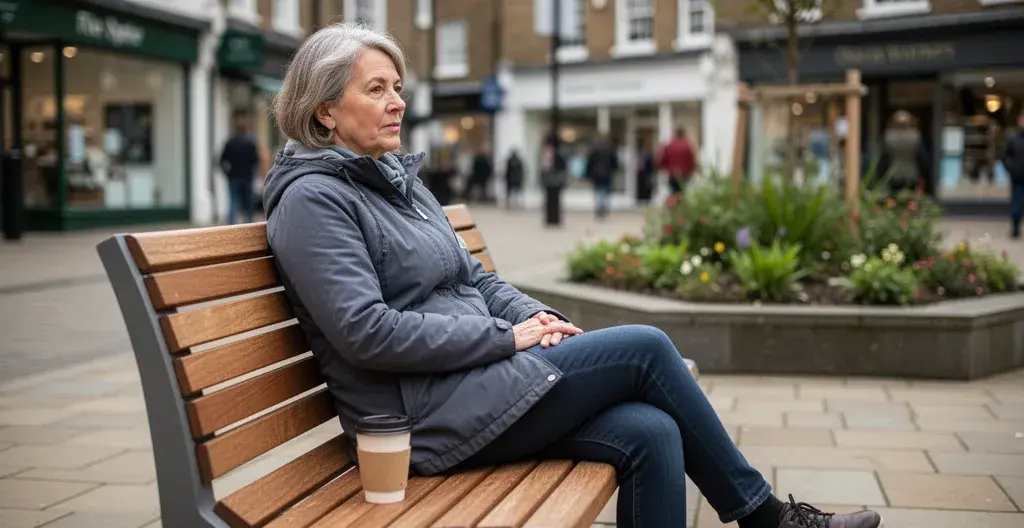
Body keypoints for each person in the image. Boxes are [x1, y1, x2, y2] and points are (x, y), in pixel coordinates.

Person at [262, 23, 883, 528]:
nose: (398, 101)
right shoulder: (314, 201)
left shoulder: (400, 182)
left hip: (474, 386)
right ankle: (767, 518)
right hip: (419, 425)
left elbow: (476, 282)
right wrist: (509, 340)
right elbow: (366, 333)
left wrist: (537, 319)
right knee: (644, 347)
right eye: (376, 89)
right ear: (324, 113)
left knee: (652, 431)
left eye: (396, 85)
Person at [219, 110, 260, 224]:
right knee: (248, 202)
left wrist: (227, 174)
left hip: (233, 177)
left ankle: (231, 225)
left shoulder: (230, 142)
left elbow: (221, 161)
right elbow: (255, 160)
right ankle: (249, 224)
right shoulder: (250, 143)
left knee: (233, 201)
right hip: (247, 177)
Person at [882, 110, 923, 196]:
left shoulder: (887, 136)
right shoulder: (915, 136)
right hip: (911, 174)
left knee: (893, 199)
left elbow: (883, 158)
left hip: (893, 174)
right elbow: (922, 157)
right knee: (911, 200)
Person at [585, 133, 619, 219]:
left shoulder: (594, 149)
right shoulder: (610, 149)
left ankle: (599, 208)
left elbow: (589, 163)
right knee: (606, 192)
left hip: (596, 174)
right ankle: (604, 208)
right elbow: (614, 163)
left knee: (598, 192)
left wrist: (588, 174)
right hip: (607, 174)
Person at [1003, 111, 1024, 238]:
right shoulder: (1013, 138)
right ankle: (1015, 228)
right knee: (1016, 203)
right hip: (1017, 176)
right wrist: (1010, 169)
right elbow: (1004, 156)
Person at [659, 127, 697, 197]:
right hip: (685, 174)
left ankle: (674, 206)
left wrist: (665, 169)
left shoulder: (668, 145)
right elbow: (692, 160)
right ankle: (682, 206)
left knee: (673, 194)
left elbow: (662, 160)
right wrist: (692, 171)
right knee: (683, 193)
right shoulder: (688, 145)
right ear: (683, 134)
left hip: (672, 174)